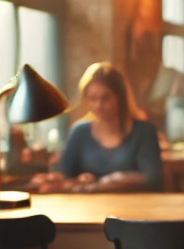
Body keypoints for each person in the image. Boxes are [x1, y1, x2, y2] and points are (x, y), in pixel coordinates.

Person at [31, 62, 164, 191]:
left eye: (105, 98)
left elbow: (153, 178)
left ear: (120, 98)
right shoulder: (79, 132)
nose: (98, 105)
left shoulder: (144, 132)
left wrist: (112, 181)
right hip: (89, 208)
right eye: (93, 98)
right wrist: (73, 181)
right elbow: (63, 174)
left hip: (137, 208)